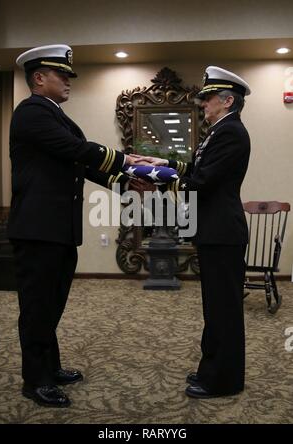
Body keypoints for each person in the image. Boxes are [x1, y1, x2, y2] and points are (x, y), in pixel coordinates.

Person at [8, 44, 141, 408]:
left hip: (56, 229)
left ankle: (49, 367)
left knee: (51, 304)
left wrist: (127, 181)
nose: (68, 81)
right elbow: (77, 150)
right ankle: (35, 381)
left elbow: (79, 164)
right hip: (37, 230)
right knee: (37, 308)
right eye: (61, 75)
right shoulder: (31, 112)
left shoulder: (53, 114)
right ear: (39, 78)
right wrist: (127, 160)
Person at [134, 66, 251, 398]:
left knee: (223, 309)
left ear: (227, 100)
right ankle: (211, 368)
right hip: (216, 230)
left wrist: (156, 182)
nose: (203, 104)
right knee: (214, 307)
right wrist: (160, 164)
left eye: (208, 98)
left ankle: (223, 380)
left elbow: (201, 182)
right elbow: (198, 169)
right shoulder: (221, 131)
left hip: (222, 232)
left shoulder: (230, 132)